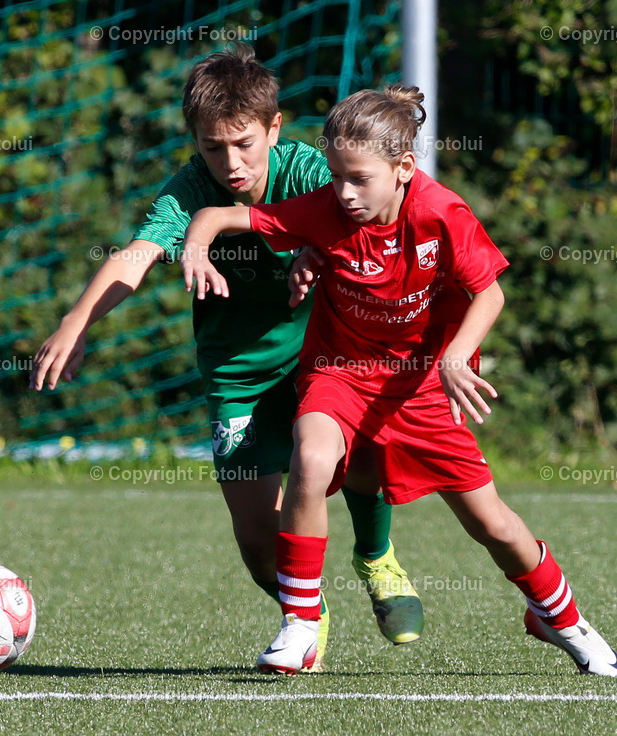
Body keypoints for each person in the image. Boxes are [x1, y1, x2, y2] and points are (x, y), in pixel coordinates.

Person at [180, 85, 617, 677]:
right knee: (310, 457)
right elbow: (216, 215)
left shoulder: (441, 212)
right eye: (335, 176)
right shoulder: (325, 208)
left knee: (492, 524)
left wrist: (456, 356)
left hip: (420, 387)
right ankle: (301, 626)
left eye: (359, 179)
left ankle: (561, 619)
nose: (344, 192)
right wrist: (197, 246)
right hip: (339, 374)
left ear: (405, 169)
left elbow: (489, 293)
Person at [29, 47, 424, 671]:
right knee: (257, 538)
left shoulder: (311, 172)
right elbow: (137, 254)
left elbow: (369, 217)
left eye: (244, 143)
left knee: (360, 455)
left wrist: (317, 254)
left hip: (323, 356)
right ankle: (306, 611)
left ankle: (376, 557)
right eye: (213, 147)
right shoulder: (189, 190)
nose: (231, 162)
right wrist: (74, 322)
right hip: (237, 372)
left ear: (274, 128)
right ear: (195, 141)